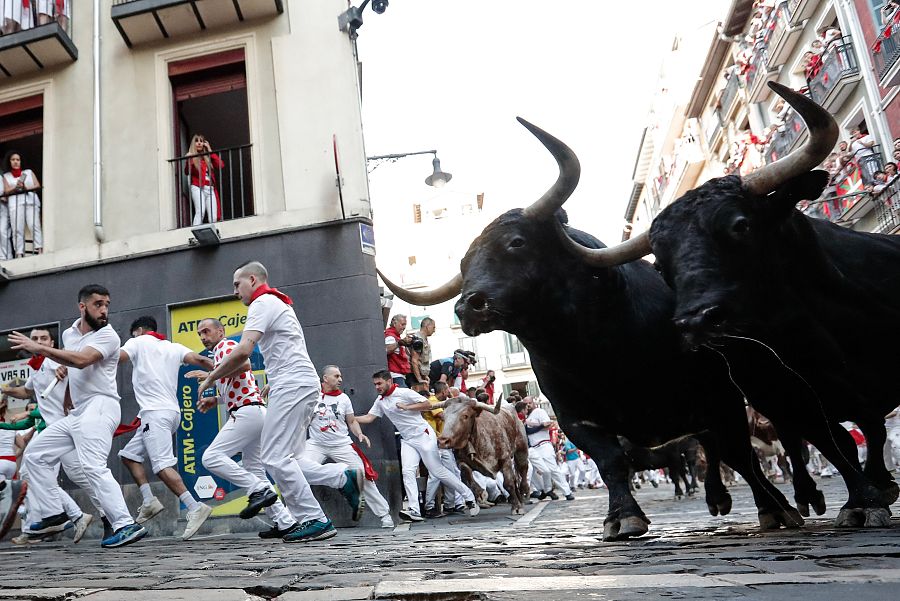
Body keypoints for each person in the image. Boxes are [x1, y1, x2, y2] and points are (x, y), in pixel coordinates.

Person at [198, 261, 361, 543]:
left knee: (273, 457)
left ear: (252, 279)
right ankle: (342, 478)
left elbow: (243, 351)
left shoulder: (262, 303)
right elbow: (286, 347)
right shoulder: (277, 303)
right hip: (296, 383)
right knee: (292, 458)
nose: (235, 292)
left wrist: (211, 377)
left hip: (293, 385)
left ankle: (314, 520)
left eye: (237, 285)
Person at [9, 285, 147, 548]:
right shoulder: (71, 333)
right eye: (98, 304)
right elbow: (74, 368)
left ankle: (125, 524)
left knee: (92, 465)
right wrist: (69, 397)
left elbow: (83, 361)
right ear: (82, 307)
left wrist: (40, 350)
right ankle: (54, 514)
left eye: (107, 304)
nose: (104, 309)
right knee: (35, 455)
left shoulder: (108, 336)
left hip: (101, 405)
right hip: (78, 412)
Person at [186, 318, 298, 539]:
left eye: (206, 331)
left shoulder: (225, 346)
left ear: (221, 331)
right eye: (200, 334)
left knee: (211, 457)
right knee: (254, 468)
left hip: (247, 414)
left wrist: (209, 377)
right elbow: (240, 385)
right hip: (253, 411)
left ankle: (257, 489)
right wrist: (216, 400)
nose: (203, 337)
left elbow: (245, 364)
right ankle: (285, 522)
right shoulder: (219, 354)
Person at [116, 316, 215, 540]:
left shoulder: (138, 341)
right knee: (129, 455)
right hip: (171, 413)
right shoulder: (173, 347)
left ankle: (194, 507)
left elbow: (117, 357)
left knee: (161, 466)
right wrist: (221, 369)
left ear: (139, 330)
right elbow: (199, 359)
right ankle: (149, 500)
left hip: (155, 414)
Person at [1, 332, 101, 545]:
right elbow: (25, 391)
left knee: (36, 468)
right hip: (55, 431)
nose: (38, 342)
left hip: (62, 429)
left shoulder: (53, 361)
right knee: (42, 472)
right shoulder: (36, 367)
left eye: (43, 339)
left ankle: (65, 517)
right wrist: (4, 388)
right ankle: (70, 516)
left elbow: (74, 366)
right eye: (35, 339)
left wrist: (66, 369)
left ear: (52, 343)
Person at [355, 370, 479, 522]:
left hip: (424, 435)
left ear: (388, 381)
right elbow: (369, 417)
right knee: (407, 472)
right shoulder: (380, 401)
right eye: (375, 384)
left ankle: (469, 497)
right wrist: (349, 417)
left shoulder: (404, 392)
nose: (377, 387)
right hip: (408, 440)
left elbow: (427, 404)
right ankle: (414, 510)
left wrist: (407, 407)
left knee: (437, 471)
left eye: (379, 383)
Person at [301, 365, 393, 528]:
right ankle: (292, 519)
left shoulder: (343, 398)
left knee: (361, 476)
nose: (340, 379)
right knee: (298, 472)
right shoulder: (312, 396)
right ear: (325, 378)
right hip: (316, 444)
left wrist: (359, 434)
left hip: (341, 444)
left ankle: (384, 515)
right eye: (336, 376)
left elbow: (351, 421)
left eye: (340, 376)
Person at [421, 382, 466, 518]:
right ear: (444, 390)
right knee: (435, 476)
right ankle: (429, 507)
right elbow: (443, 416)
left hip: (444, 444)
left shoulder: (443, 402)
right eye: (448, 390)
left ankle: (450, 505)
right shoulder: (432, 401)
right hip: (434, 443)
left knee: (452, 473)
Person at [524, 397, 573, 501]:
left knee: (552, 469)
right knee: (531, 470)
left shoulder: (539, 411)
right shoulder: (525, 416)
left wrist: (534, 427)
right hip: (532, 448)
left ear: (533, 403)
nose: (528, 405)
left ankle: (567, 492)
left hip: (543, 445)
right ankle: (544, 490)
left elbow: (548, 425)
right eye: (526, 403)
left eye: (530, 403)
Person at [2, 151, 43, 259]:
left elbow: (37, 185)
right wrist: (15, 188)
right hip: (16, 204)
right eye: (13, 160)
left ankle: (39, 249)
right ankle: (19, 253)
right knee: (17, 229)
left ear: (21, 161)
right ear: (9, 162)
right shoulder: (6, 176)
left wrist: (25, 189)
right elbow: (5, 191)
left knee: (34, 225)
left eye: (18, 160)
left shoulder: (28, 172)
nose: (16, 162)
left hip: (31, 202)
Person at [185, 134, 223, 225]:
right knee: (200, 212)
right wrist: (188, 159)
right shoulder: (192, 157)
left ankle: (214, 234)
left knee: (213, 217)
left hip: (210, 189)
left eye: (201, 141)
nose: (199, 143)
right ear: (193, 144)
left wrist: (210, 150)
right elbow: (187, 171)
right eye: (196, 141)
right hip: (198, 187)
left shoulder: (207, 158)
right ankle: (194, 235)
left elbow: (220, 165)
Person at [384, 315, 412, 388]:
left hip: (399, 375)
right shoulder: (390, 336)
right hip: (395, 375)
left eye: (405, 325)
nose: (404, 327)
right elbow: (386, 350)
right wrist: (399, 343)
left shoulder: (396, 336)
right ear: (394, 323)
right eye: (402, 324)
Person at [409, 317, 435, 392]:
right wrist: (419, 379)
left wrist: (425, 376)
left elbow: (422, 360)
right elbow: (414, 360)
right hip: (414, 376)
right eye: (433, 327)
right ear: (427, 326)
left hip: (420, 375)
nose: (434, 330)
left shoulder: (423, 339)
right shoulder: (418, 339)